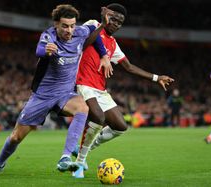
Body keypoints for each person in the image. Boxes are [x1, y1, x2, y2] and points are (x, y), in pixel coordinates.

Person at [0, 4, 114, 176]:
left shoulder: (80, 32)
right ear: (56, 24)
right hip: (42, 96)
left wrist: (103, 52)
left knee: (83, 107)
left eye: (72, 25)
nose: (69, 30)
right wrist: (47, 50)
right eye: (65, 26)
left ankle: (65, 157)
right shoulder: (49, 35)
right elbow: (40, 50)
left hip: (65, 94)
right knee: (16, 137)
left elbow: (94, 34)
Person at [72, 3, 174, 177]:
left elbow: (129, 67)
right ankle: (79, 163)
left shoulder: (113, 43)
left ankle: (83, 148)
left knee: (120, 126)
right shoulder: (93, 25)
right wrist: (103, 24)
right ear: (106, 15)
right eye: (114, 19)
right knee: (98, 116)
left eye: (120, 22)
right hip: (82, 83)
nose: (116, 24)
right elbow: (83, 44)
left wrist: (157, 78)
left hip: (99, 89)